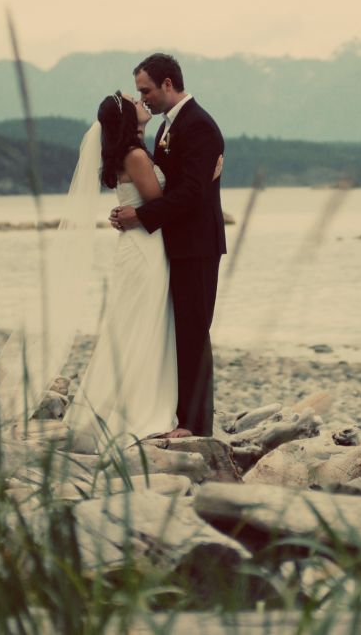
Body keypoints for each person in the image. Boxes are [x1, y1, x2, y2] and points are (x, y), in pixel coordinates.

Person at [110, 53, 226, 438]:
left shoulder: (201, 127)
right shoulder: (165, 128)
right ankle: (179, 414)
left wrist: (141, 217)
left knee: (194, 329)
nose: (143, 99)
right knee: (179, 330)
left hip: (197, 245)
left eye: (146, 90)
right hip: (174, 243)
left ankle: (195, 424)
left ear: (168, 84)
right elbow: (166, 186)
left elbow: (193, 193)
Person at [62, 92, 179, 451]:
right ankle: (140, 409)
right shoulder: (136, 156)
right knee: (144, 323)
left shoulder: (124, 156)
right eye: (134, 100)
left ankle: (114, 404)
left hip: (134, 248)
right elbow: (160, 202)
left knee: (130, 323)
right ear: (128, 116)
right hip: (146, 247)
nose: (142, 101)